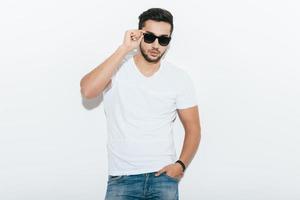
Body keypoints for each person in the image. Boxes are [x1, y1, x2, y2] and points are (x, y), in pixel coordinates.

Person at [80, 8, 201, 200]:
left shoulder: (179, 78)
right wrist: (124, 49)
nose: (156, 45)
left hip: (164, 178)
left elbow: (193, 128)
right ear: (138, 34)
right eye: (150, 37)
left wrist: (181, 165)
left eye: (163, 39)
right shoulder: (117, 69)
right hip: (122, 178)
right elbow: (88, 91)